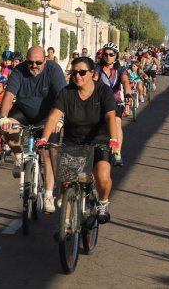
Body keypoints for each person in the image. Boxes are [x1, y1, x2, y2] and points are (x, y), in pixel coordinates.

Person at [36, 56, 119, 223]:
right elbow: (53, 117)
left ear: (92, 73)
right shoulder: (66, 93)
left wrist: (114, 139)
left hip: (99, 141)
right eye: (74, 73)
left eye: (82, 72)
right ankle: (66, 225)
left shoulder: (103, 91)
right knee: (67, 182)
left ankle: (102, 202)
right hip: (73, 141)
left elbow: (110, 117)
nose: (77, 76)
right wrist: (43, 138)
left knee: (102, 177)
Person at [0, 46, 67, 214]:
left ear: (45, 60)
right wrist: (2, 117)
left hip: (48, 116)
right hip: (23, 111)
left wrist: (61, 118)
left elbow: (62, 96)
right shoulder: (19, 71)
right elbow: (8, 96)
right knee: (7, 130)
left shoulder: (54, 70)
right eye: (30, 62)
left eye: (38, 62)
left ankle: (49, 193)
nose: (34, 66)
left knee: (48, 152)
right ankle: (18, 155)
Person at [93, 43, 132, 166]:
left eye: (111, 54)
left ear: (116, 56)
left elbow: (125, 81)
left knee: (117, 123)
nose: (108, 57)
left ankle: (117, 153)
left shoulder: (121, 69)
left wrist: (128, 94)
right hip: (100, 99)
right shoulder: (97, 68)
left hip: (116, 100)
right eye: (106, 54)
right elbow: (94, 79)